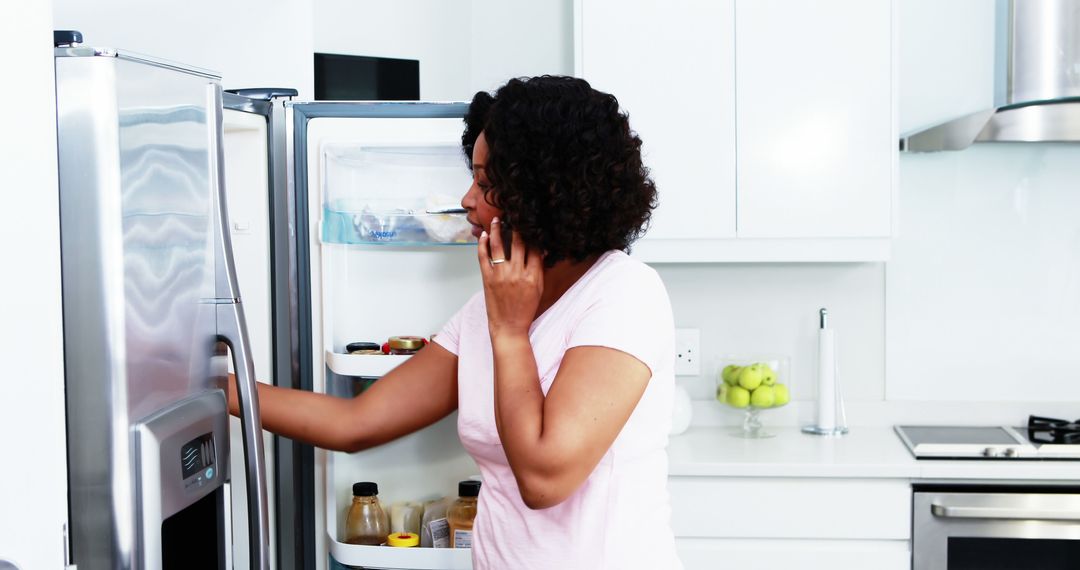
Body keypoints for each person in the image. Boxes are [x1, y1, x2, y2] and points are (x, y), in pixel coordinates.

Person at [229, 75, 682, 569]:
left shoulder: (622, 294)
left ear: (548, 194)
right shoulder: (485, 309)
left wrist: (510, 332)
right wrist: (212, 385)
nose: (467, 199)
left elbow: (544, 480)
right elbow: (353, 423)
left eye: (487, 184)